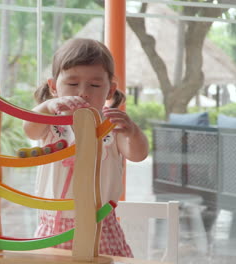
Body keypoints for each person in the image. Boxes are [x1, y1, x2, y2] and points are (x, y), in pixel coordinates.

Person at [23, 38, 149, 257]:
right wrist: (47, 107)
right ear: (53, 87)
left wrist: (133, 132)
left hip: (100, 227)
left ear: (110, 90)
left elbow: (138, 155)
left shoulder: (111, 126)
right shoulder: (50, 125)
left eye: (95, 85)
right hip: (53, 226)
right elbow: (29, 129)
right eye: (72, 84)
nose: (83, 92)